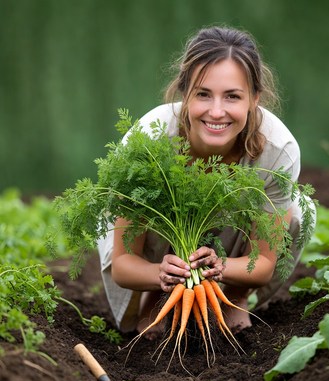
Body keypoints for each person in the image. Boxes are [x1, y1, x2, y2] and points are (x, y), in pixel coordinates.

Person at [97, 25, 315, 338]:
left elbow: (265, 261)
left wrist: (222, 267)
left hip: (228, 257)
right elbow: (123, 265)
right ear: (184, 93)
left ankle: (233, 298)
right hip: (160, 260)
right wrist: (160, 273)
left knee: (299, 207)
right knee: (153, 332)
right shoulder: (149, 140)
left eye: (232, 97)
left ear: (255, 98)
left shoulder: (278, 150)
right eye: (203, 94)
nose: (216, 112)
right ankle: (157, 297)